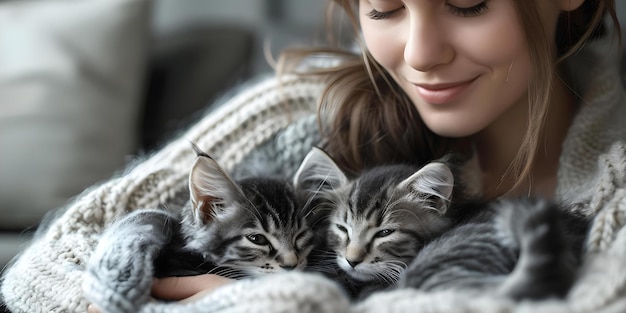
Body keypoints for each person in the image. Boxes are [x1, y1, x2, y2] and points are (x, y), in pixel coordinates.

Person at [4, 0, 626, 312]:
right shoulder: (308, 111)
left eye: (467, 3)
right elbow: (42, 277)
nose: (420, 52)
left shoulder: (614, 173)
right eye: (384, 7)